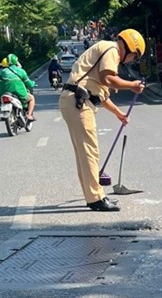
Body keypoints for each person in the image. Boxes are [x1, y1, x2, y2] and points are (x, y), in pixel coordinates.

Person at [59, 28, 146, 212]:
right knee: (90, 151)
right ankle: (96, 198)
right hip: (78, 102)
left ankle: (92, 196)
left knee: (84, 153)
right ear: (130, 48)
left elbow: (101, 95)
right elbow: (108, 79)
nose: (131, 61)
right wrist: (132, 85)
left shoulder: (105, 49)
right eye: (134, 57)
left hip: (75, 100)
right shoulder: (112, 50)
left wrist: (118, 114)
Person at [0, 53, 36, 121]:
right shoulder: (21, 71)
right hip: (19, 93)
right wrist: (33, 83)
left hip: (4, 93)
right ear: (16, 61)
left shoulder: (2, 72)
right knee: (31, 98)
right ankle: (29, 115)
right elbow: (28, 83)